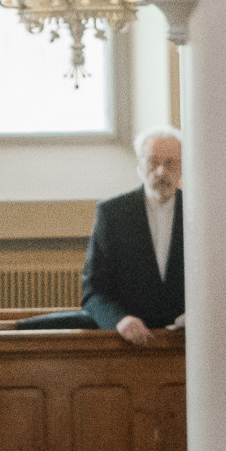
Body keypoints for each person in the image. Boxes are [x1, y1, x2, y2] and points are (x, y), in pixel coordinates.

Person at [81, 127, 186, 346]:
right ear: (140, 165)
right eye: (153, 162)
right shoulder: (112, 214)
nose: (160, 171)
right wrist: (120, 320)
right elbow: (94, 291)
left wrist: (198, 317)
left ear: (183, 166)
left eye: (170, 163)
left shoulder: (200, 213)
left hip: (185, 346)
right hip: (125, 346)